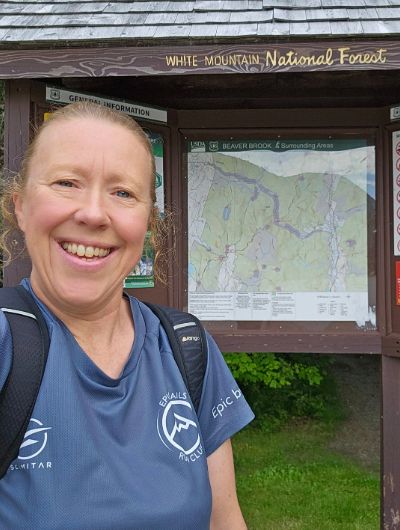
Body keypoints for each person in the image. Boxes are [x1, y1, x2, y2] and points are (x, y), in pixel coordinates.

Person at [0, 101, 254, 529]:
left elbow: (223, 521)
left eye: (123, 193)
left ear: (149, 224)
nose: (93, 213)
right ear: (21, 206)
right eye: (66, 182)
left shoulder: (186, 347)